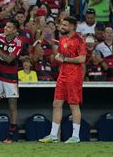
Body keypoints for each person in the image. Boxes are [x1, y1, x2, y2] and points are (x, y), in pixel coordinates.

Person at [40, 16, 86, 144]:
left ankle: (75, 136)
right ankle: (53, 135)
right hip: (63, 75)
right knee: (56, 104)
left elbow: (82, 59)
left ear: (72, 26)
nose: (62, 27)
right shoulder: (63, 39)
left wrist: (64, 59)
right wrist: (57, 56)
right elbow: (59, 55)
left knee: (73, 105)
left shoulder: (79, 39)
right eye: (62, 25)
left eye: (65, 25)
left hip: (74, 76)